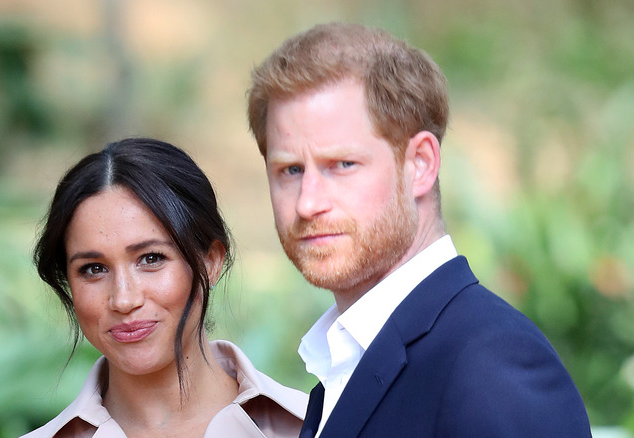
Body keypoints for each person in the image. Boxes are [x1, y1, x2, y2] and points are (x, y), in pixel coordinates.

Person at [246, 22, 592, 437]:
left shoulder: (491, 365)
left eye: (342, 165)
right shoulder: (347, 363)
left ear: (421, 164)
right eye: (290, 170)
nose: (307, 202)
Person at [22, 138, 307, 438]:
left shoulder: (318, 426)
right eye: (94, 269)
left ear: (210, 262)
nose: (123, 299)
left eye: (151, 259)